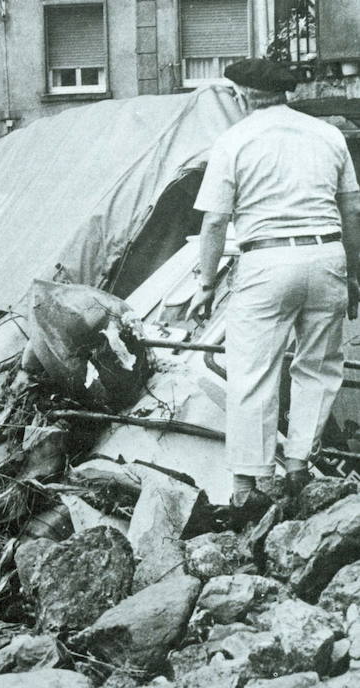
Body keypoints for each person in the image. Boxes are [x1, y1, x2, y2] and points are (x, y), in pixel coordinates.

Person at [187, 58, 360, 521]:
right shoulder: (329, 136)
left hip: (266, 260)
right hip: (327, 256)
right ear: (286, 94)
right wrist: (355, 275)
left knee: (252, 370)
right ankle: (299, 465)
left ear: (243, 96)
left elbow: (216, 220)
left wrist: (205, 284)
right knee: (320, 367)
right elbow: (352, 213)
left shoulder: (234, 140)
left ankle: (247, 485)